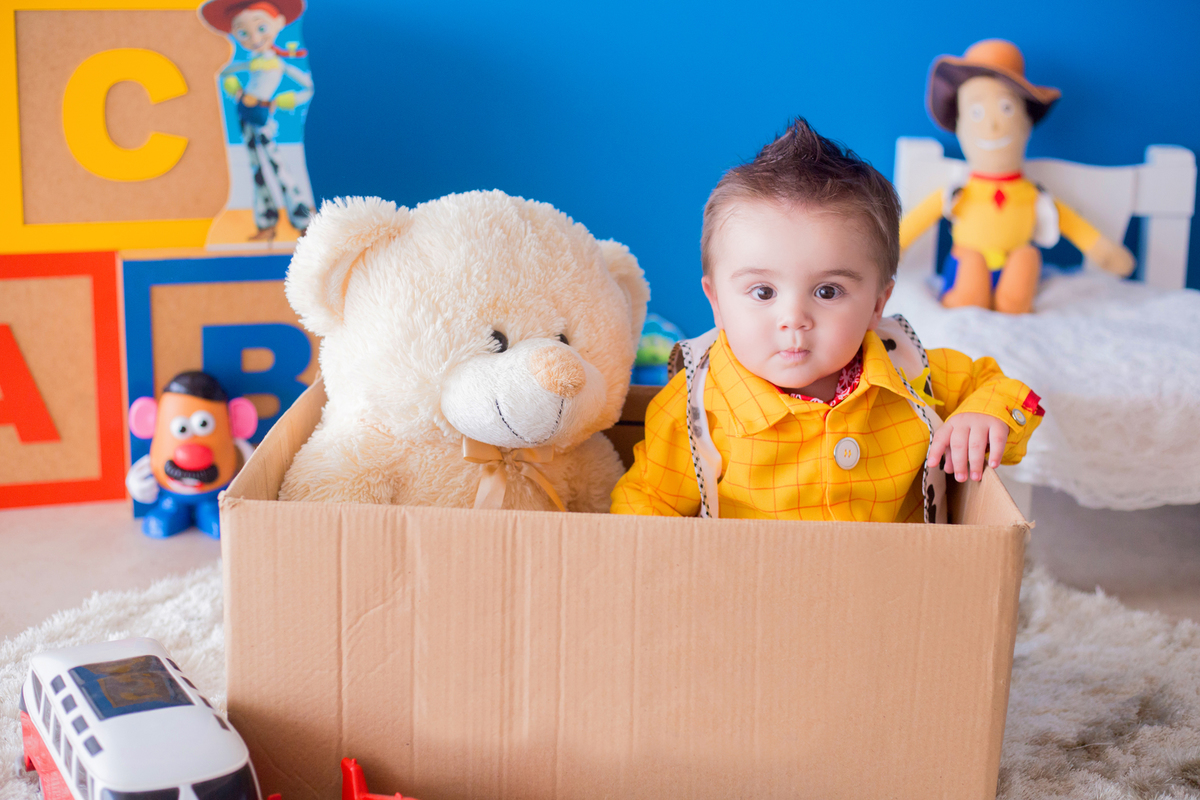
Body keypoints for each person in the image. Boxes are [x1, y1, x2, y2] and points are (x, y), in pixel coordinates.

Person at [611, 118, 1043, 521]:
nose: (794, 319)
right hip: (751, 590)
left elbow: (1005, 390)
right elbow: (647, 504)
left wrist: (985, 417)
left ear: (878, 303)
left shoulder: (912, 371)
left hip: (899, 588)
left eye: (827, 291)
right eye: (763, 292)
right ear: (718, 302)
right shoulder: (695, 407)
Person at [200, 0, 314, 242]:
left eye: (261, 28)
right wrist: (236, 90)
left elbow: (307, 88)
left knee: (277, 166)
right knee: (257, 168)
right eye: (243, 32)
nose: (253, 37)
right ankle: (266, 221)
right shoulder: (252, 62)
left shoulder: (279, 63)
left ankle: (303, 221)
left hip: (262, 114)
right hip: (245, 113)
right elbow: (224, 73)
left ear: (279, 24)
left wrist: (280, 102)